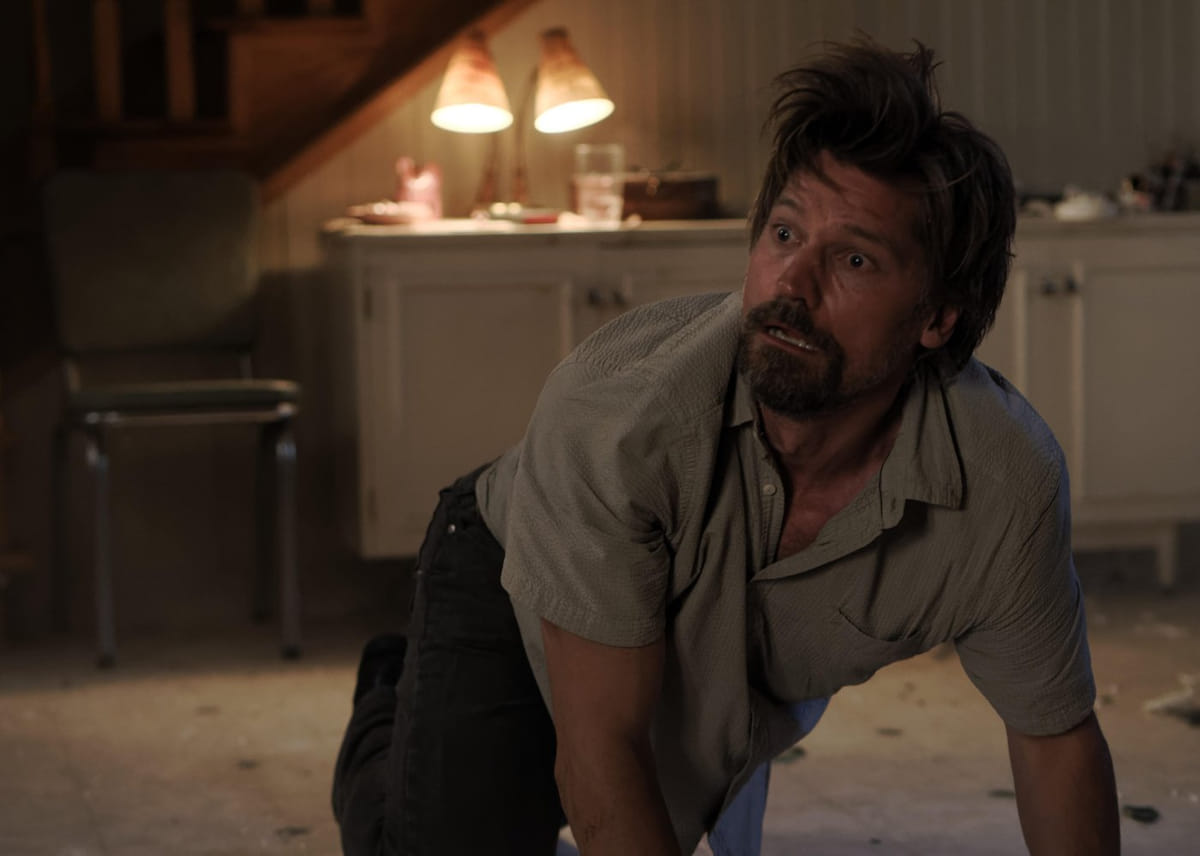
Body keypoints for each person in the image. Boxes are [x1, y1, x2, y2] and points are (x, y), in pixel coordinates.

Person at [332, 39, 1120, 856]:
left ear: (938, 317)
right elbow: (602, 752)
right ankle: (390, 703)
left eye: (853, 258)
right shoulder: (617, 418)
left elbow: (1055, 741)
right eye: (783, 234)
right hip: (507, 563)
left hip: (698, 655)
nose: (792, 285)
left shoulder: (1003, 485)